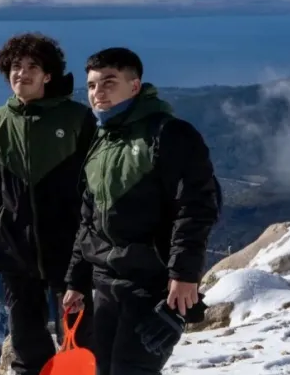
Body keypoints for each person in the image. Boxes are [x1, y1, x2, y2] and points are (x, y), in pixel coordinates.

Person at [63, 47, 221, 375]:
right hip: (106, 282)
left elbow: (197, 207)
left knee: (132, 370)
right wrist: (76, 280)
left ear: (135, 87)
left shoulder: (169, 134)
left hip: (151, 283)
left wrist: (184, 274)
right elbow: (89, 218)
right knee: (103, 369)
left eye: (109, 82)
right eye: (92, 85)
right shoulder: (102, 140)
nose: (98, 93)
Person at [0, 33, 97, 374]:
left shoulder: (76, 119)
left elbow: (94, 190)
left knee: (81, 339)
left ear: (48, 75)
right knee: (27, 343)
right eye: (15, 66)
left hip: (70, 251)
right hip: (16, 251)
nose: (22, 74)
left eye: (32, 67)